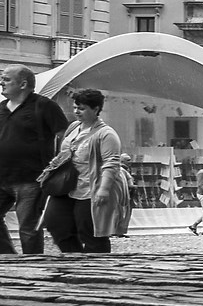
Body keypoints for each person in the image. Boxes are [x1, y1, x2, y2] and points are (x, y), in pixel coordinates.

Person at [40, 89, 130, 253]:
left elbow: (111, 163)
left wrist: (104, 189)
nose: (76, 112)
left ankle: (98, 267)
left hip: (90, 188)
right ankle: (75, 258)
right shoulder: (74, 127)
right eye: (75, 107)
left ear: (95, 109)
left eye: (82, 108)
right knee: (55, 222)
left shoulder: (106, 134)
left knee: (90, 230)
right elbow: (64, 152)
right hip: (66, 186)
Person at [0, 67, 68, 254]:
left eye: (6, 79)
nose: (2, 82)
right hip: (2, 175)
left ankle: (33, 265)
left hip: (31, 178)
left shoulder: (44, 106)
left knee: (28, 227)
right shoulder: (1, 108)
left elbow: (65, 135)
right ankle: (8, 259)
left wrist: (56, 164)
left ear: (23, 84)